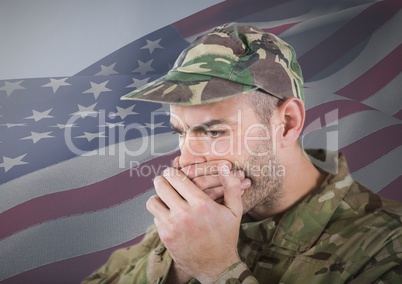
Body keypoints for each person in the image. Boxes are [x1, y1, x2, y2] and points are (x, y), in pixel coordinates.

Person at [82, 23, 402, 283]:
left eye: (215, 132)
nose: (187, 161)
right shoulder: (196, 219)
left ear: (288, 123)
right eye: (181, 132)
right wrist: (179, 265)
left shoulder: (388, 244)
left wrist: (219, 271)